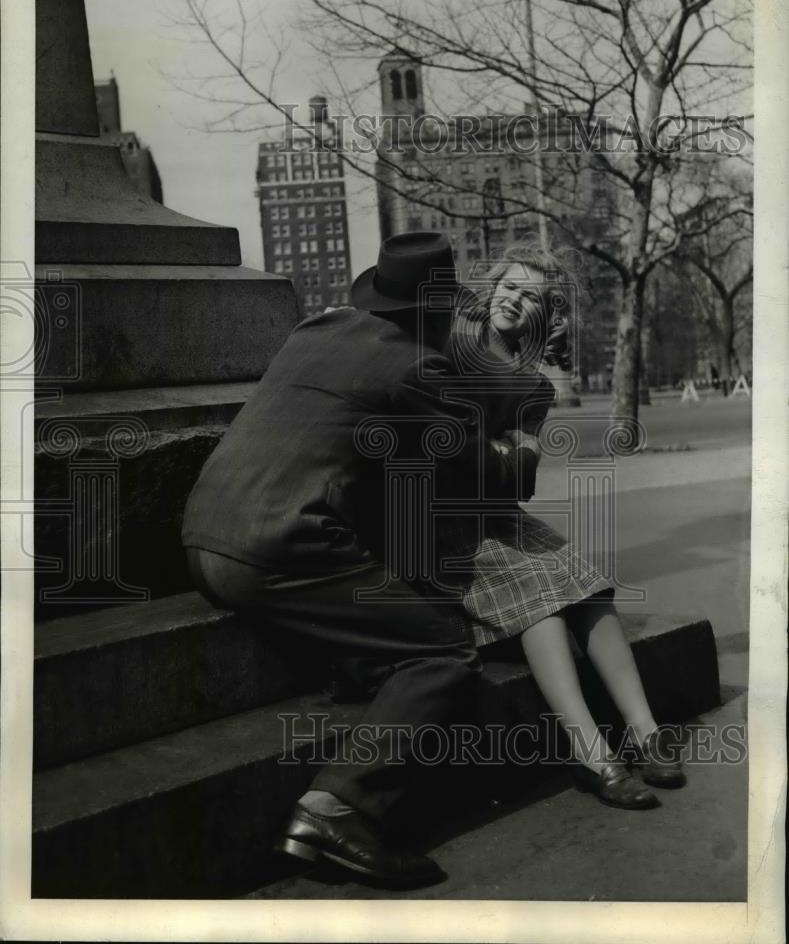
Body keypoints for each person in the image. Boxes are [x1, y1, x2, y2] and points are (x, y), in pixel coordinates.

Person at [181, 232, 527, 888]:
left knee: (383, 617)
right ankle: (337, 809)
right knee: (442, 650)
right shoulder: (415, 366)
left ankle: (363, 670)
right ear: (434, 311)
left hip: (202, 539)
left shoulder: (315, 330)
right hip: (277, 551)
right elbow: (484, 472)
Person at [435, 240, 685, 809]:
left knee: (586, 581)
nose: (514, 301)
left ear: (543, 316)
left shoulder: (536, 385)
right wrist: (498, 450)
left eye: (531, 297)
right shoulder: (450, 343)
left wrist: (499, 451)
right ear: (491, 288)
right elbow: (449, 449)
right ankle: (595, 757)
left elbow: (519, 480)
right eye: (509, 287)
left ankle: (646, 732)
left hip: (496, 513)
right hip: (440, 523)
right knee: (541, 596)